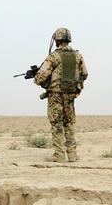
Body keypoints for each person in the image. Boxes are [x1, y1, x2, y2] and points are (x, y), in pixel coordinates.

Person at [34, 27, 88, 162]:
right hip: (70, 95)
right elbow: (85, 74)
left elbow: (40, 77)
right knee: (69, 123)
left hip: (56, 95)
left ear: (57, 40)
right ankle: (72, 155)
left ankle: (59, 155)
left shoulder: (54, 56)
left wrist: (37, 78)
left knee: (57, 123)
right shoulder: (78, 56)